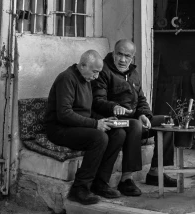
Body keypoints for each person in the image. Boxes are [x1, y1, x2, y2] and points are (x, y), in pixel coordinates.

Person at [91, 39, 177, 197]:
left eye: (127, 56)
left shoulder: (133, 73)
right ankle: (126, 179)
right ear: (113, 52)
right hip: (114, 120)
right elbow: (97, 101)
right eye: (119, 55)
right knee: (135, 125)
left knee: (167, 121)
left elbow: (142, 100)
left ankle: (155, 173)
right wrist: (113, 107)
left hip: (134, 119)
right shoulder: (103, 70)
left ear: (133, 58)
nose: (123, 60)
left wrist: (144, 114)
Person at [45, 50, 125, 205]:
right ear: (82, 65)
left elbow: (85, 112)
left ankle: (100, 183)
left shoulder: (86, 80)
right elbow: (65, 114)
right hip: (59, 129)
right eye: (94, 72)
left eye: (98, 73)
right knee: (99, 138)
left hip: (76, 127)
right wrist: (96, 124)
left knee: (118, 133)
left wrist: (104, 120)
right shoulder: (66, 78)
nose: (96, 77)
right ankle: (80, 188)